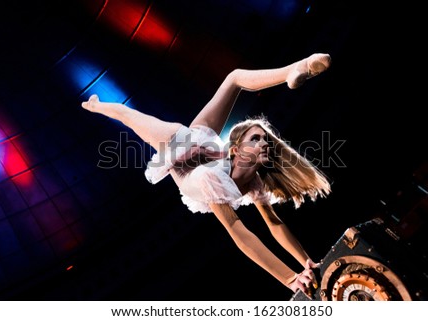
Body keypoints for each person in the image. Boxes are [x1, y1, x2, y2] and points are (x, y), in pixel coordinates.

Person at [81, 53, 332, 298]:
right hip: (177, 142)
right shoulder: (210, 178)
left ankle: (298, 67)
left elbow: (274, 224)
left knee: (234, 78)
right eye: (256, 138)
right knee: (129, 116)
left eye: (265, 139)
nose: (265, 143)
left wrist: (306, 262)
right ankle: (97, 105)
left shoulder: (253, 181)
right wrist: (290, 278)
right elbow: (238, 231)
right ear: (236, 150)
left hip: (205, 147)